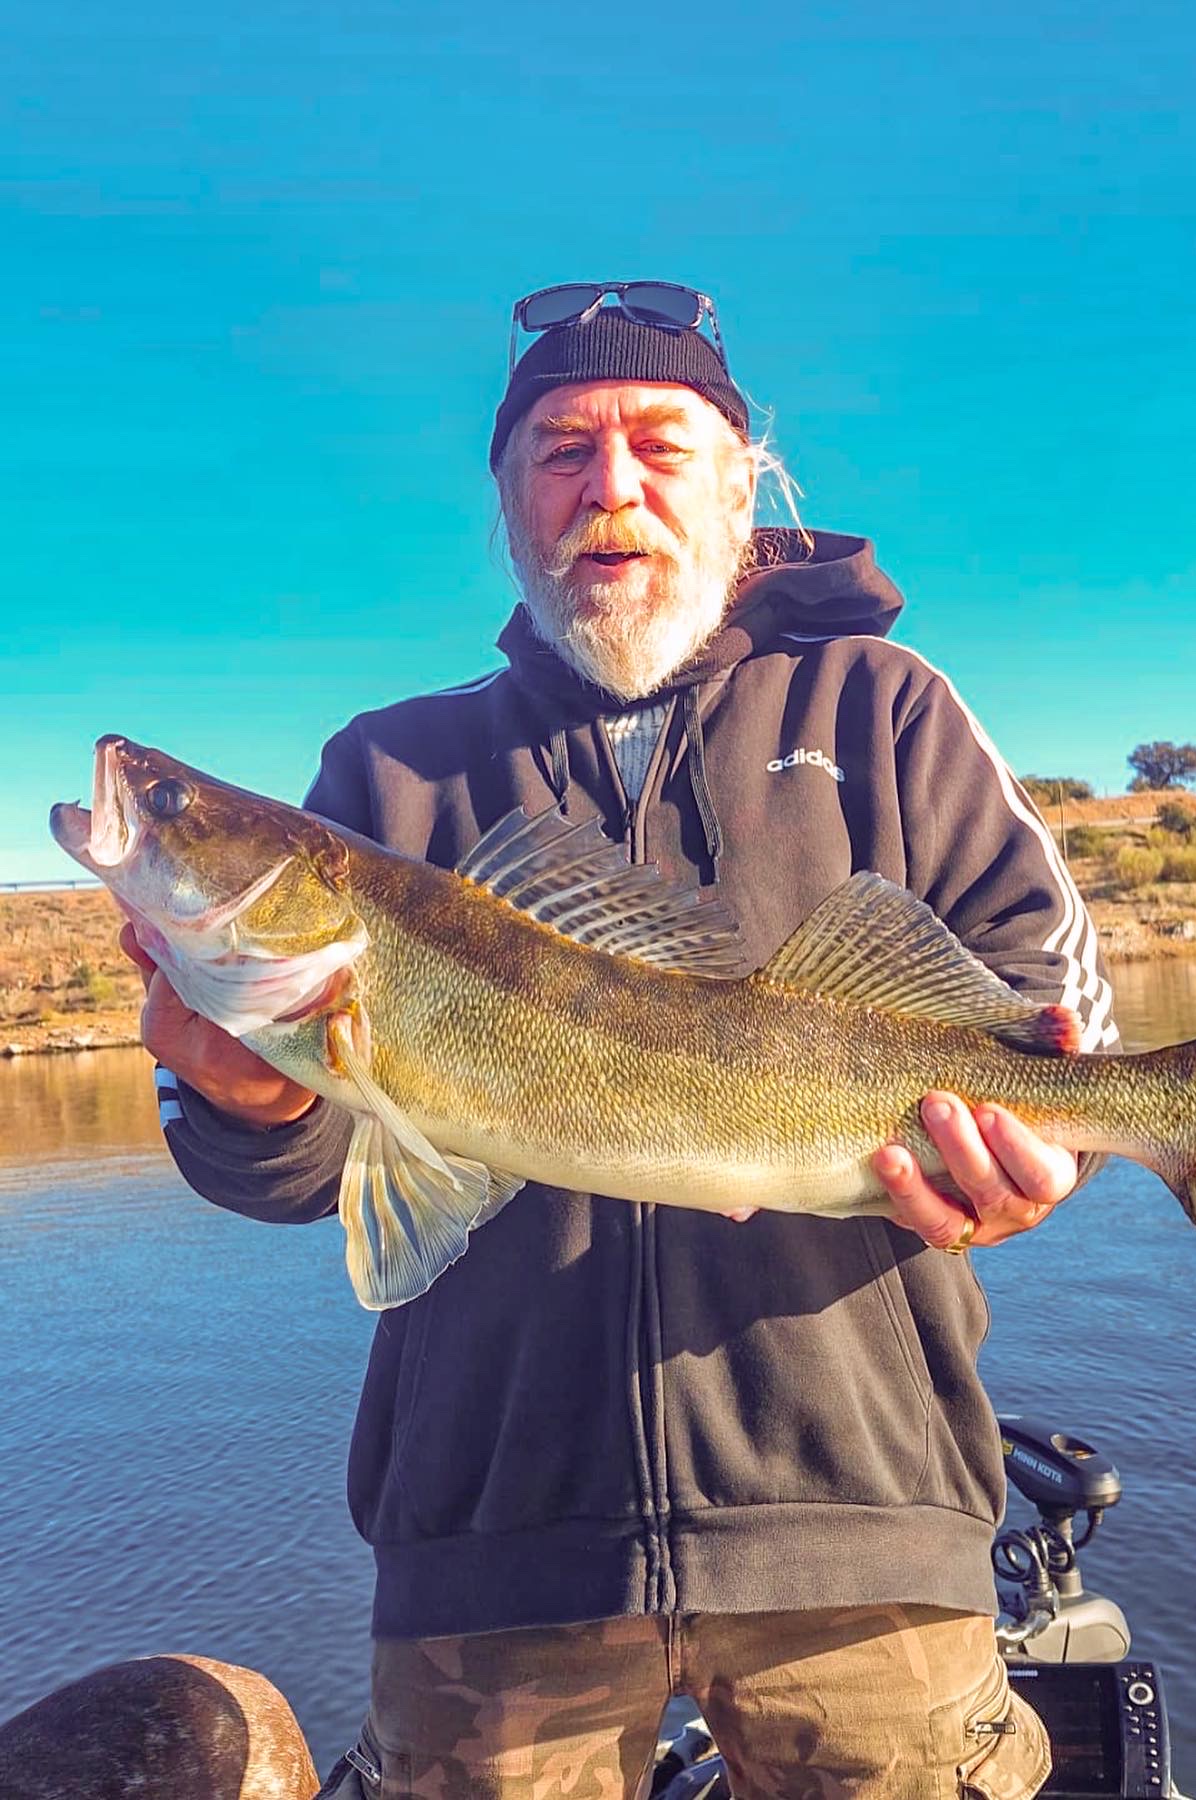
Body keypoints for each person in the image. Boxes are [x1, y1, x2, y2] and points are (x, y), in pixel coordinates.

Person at [124, 282, 1118, 1800]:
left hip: (860, 1519)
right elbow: (319, 1172)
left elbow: (1053, 1024)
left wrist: (1046, 1155)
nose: (612, 490)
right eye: (560, 453)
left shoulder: (889, 711)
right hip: (493, 1548)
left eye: (658, 443)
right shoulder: (391, 767)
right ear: (509, 503)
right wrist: (251, 1105)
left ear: (741, 486)